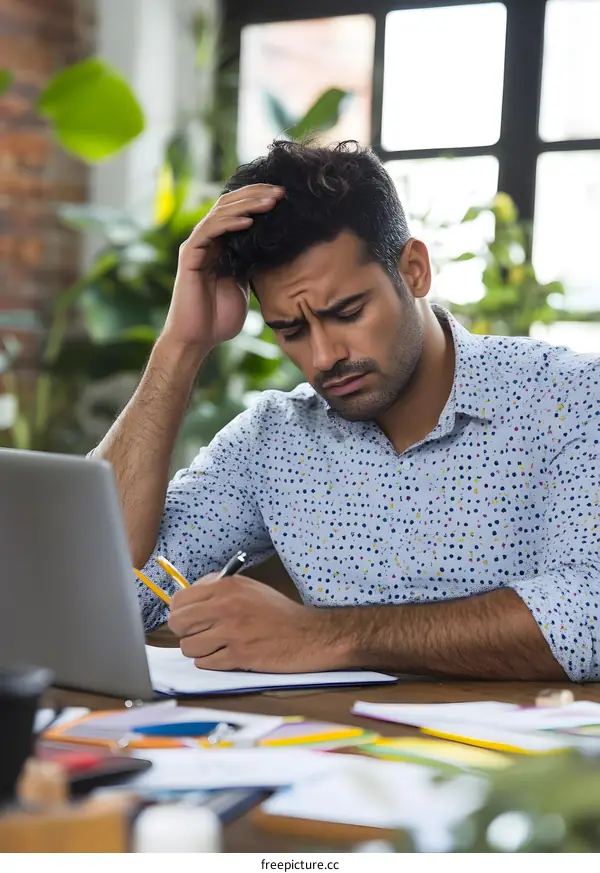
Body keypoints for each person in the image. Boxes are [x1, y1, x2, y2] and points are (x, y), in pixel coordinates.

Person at [94, 140, 600, 682]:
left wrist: (323, 635)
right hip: (332, 755)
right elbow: (107, 590)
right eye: (290, 330)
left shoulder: (569, 399)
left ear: (414, 270)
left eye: (348, 312)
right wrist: (181, 346)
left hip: (523, 763)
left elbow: (586, 621)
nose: (324, 357)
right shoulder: (272, 442)